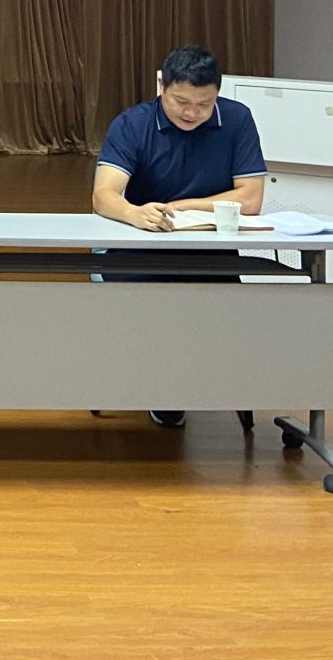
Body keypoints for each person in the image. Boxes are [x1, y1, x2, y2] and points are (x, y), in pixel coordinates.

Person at [91, 43, 266, 428]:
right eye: (181, 101)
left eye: (204, 104)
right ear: (161, 86)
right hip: (141, 247)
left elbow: (251, 198)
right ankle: (164, 389)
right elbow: (103, 195)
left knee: (228, 314)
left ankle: (201, 384)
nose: (192, 113)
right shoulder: (133, 124)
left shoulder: (237, 120)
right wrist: (135, 213)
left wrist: (182, 206)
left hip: (210, 250)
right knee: (152, 312)